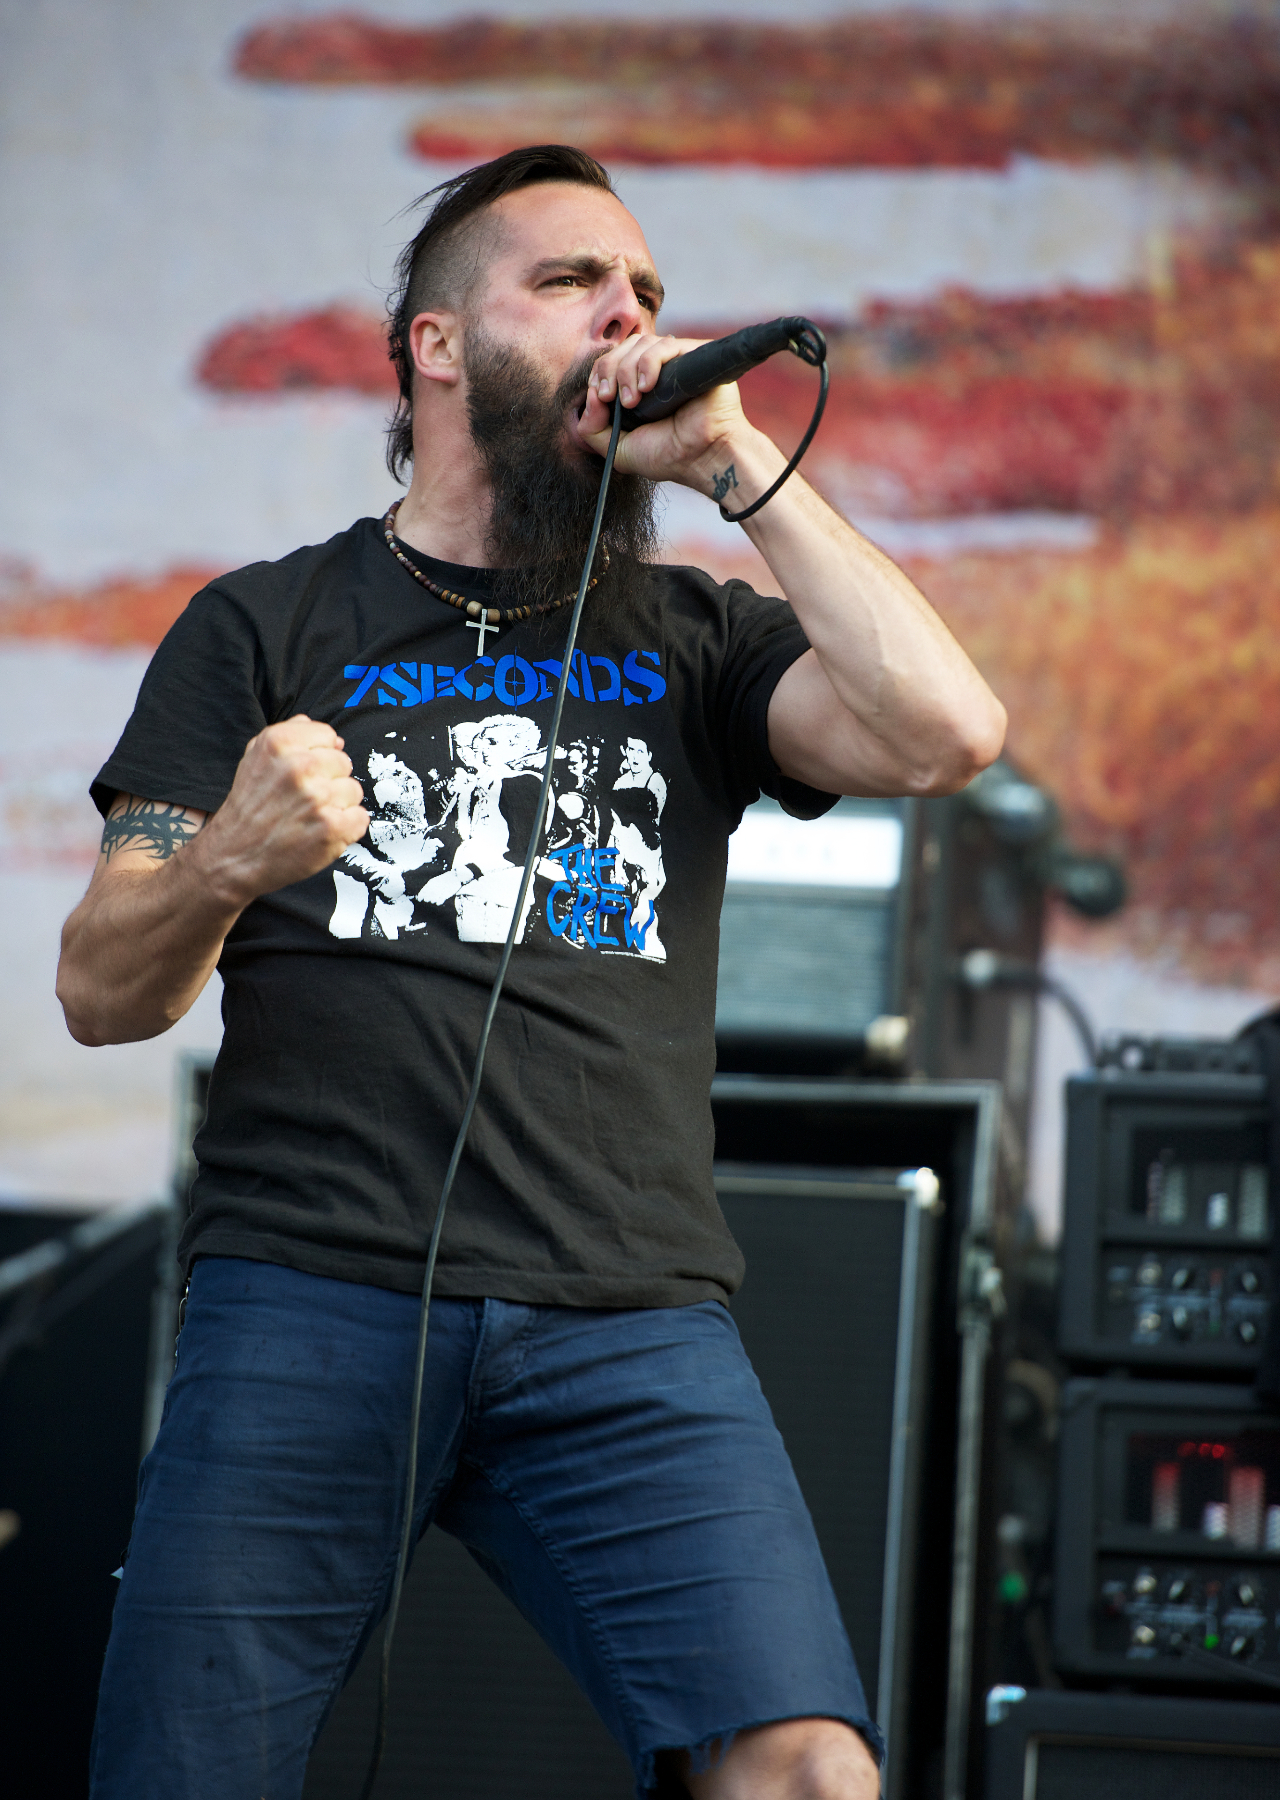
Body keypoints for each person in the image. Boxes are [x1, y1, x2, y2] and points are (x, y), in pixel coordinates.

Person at [58, 146, 1006, 1800]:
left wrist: (736, 462)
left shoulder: (695, 633)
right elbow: (100, 991)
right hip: (307, 1285)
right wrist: (226, 859)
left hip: (626, 1309)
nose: (628, 315)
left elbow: (949, 732)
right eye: (574, 283)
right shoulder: (263, 628)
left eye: (645, 292)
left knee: (806, 1773)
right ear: (439, 345)